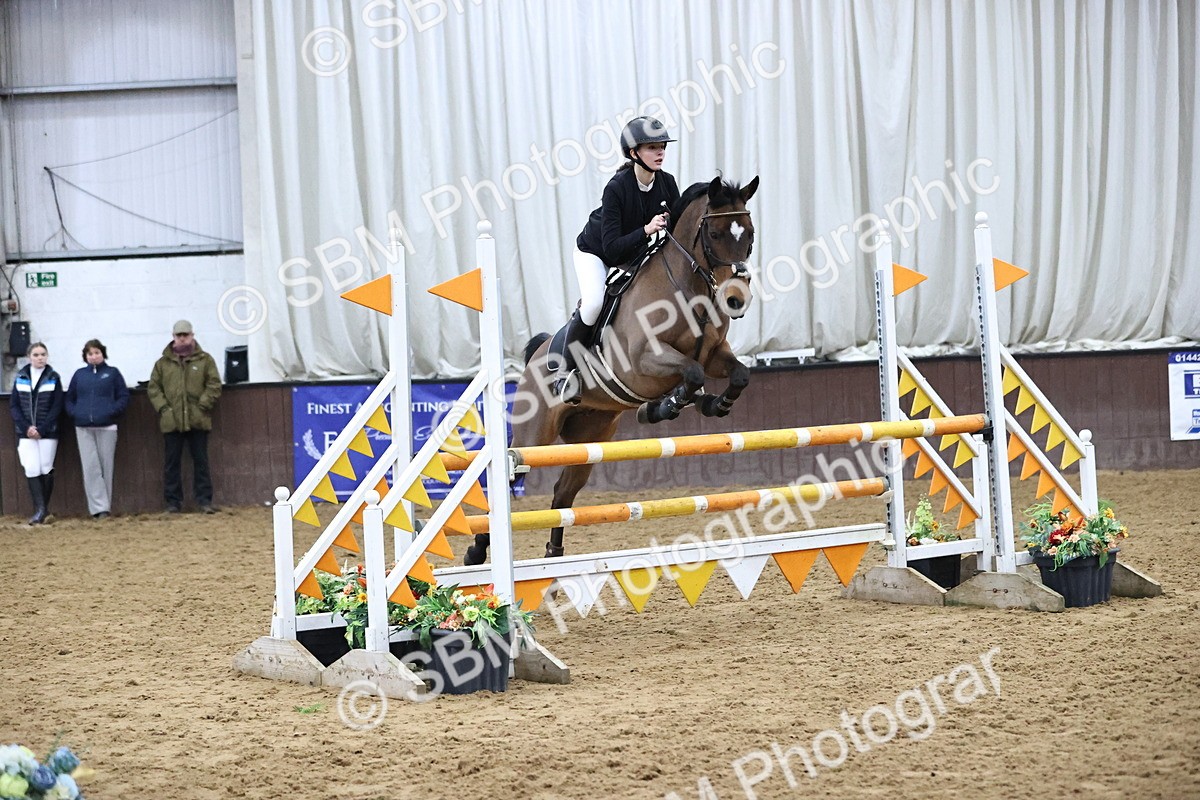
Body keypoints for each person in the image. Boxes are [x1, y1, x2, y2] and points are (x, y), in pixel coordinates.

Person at [552, 115, 682, 405]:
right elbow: (612, 249)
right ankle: (566, 372)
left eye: (662, 146)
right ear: (634, 153)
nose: (660, 152)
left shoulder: (668, 183)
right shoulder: (617, 187)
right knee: (595, 302)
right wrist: (647, 229)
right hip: (596, 252)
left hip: (635, 252)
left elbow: (677, 232)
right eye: (652, 147)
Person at [147, 320, 222, 513]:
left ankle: (204, 501)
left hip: (198, 419)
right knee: (171, 464)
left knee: (201, 462)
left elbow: (214, 384)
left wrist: (203, 406)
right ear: (173, 337)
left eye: (185, 334)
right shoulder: (162, 364)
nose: (182, 338)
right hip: (172, 422)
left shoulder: (206, 360)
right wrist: (165, 410)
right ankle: (172, 503)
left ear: (192, 335)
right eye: (179, 335)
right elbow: (154, 388)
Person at [65, 339, 130, 519]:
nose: (94, 356)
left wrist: (112, 412)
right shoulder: (79, 375)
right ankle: (98, 508)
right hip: (83, 427)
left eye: (97, 353)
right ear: (85, 356)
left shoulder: (112, 373)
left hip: (107, 426)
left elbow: (123, 396)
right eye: (90, 354)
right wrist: (75, 413)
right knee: (90, 467)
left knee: (105, 466)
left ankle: (105, 507)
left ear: (103, 354)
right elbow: (70, 398)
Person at [10, 342, 65, 524]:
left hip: (47, 432)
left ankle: (41, 510)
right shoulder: (21, 376)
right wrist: (27, 427)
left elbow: (56, 406)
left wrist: (41, 428)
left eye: (43, 354)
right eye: (36, 354)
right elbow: (14, 406)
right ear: (29, 357)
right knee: (31, 468)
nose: (40, 357)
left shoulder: (53, 377)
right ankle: (41, 509)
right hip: (25, 432)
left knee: (45, 467)